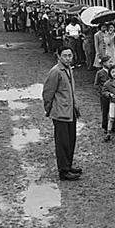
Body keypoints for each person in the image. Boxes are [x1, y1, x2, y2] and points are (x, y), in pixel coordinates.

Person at [42, 46, 82, 181]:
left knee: (71, 139)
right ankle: (63, 171)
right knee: (62, 142)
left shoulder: (69, 69)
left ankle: (69, 165)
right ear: (58, 56)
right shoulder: (55, 72)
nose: (68, 58)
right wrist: (49, 109)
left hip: (70, 111)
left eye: (70, 55)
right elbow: (48, 92)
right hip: (60, 112)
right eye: (65, 55)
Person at [94, 55, 113, 133]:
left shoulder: (113, 71)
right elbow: (96, 84)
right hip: (104, 96)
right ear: (104, 63)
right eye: (109, 62)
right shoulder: (100, 73)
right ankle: (105, 126)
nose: (111, 64)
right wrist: (102, 92)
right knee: (105, 110)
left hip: (113, 94)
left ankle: (113, 126)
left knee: (113, 110)